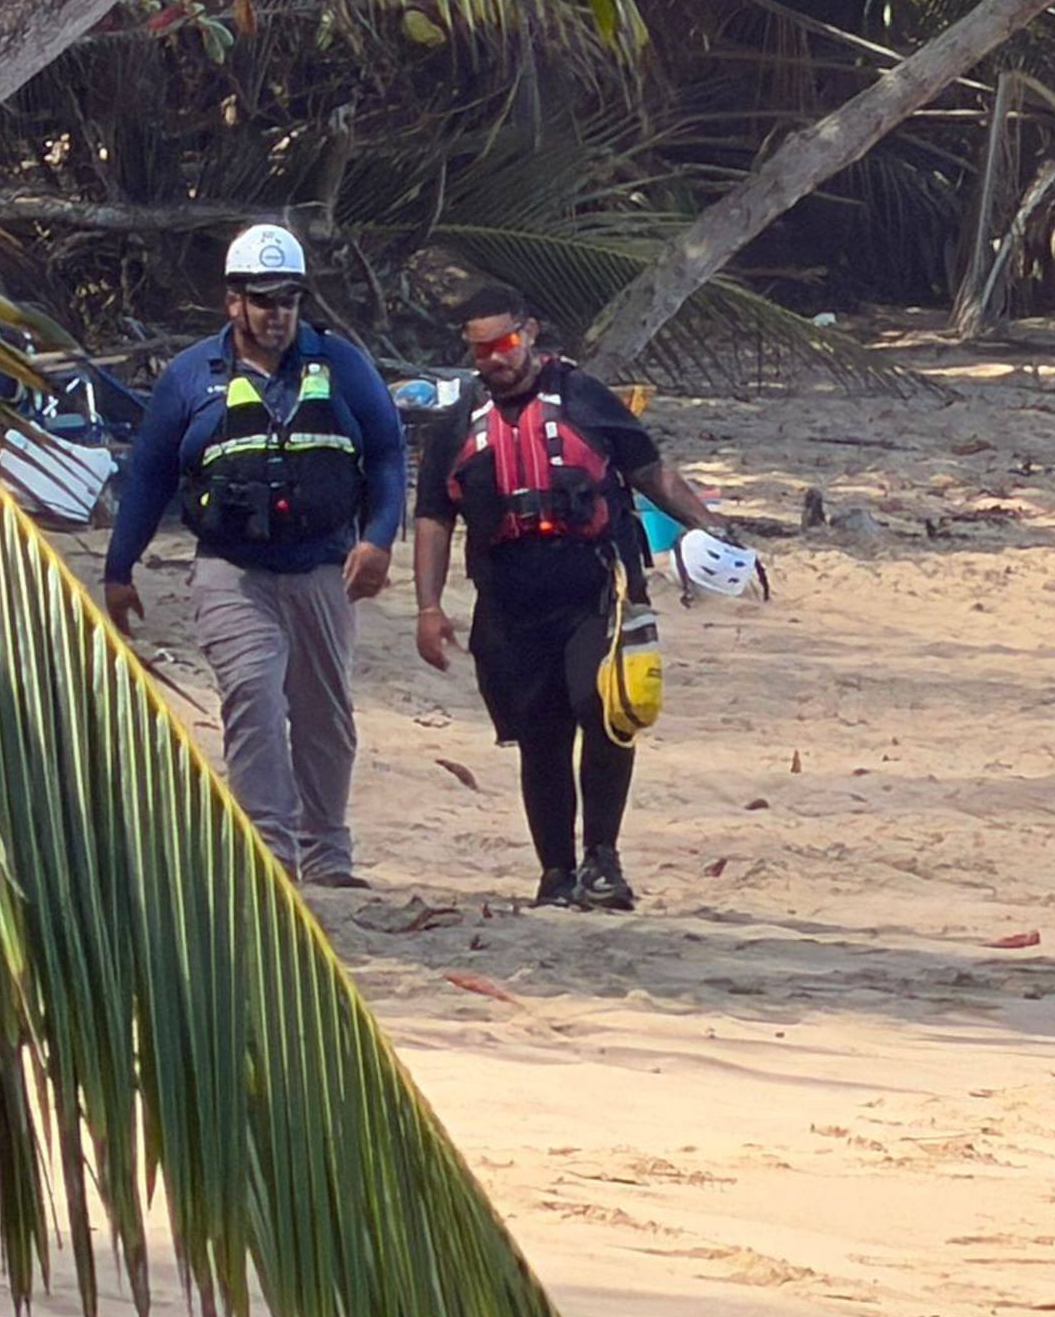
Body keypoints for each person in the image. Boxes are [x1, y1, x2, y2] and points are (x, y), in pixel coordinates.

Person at [103, 224, 406, 887]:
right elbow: (150, 475)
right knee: (254, 696)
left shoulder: (342, 366)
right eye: (264, 301)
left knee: (324, 713)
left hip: (324, 566)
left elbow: (386, 452)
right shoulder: (190, 378)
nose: (278, 315)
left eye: (289, 300)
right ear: (232, 302)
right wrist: (119, 569)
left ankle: (327, 850)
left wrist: (378, 537)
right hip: (231, 571)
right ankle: (269, 855)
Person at [411, 285, 726, 911]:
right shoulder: (457, 425)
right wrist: (428, 608)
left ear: (528, 332)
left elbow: (649, 470)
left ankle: (602, 860)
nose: (493, 360)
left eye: (502, 344)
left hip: (594, 585)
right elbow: (433, 518)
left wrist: (706, 528)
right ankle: (555, 873)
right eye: (480, 351)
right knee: (540, 734)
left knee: (605, 709)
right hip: (509, 599)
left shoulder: (583, 397)